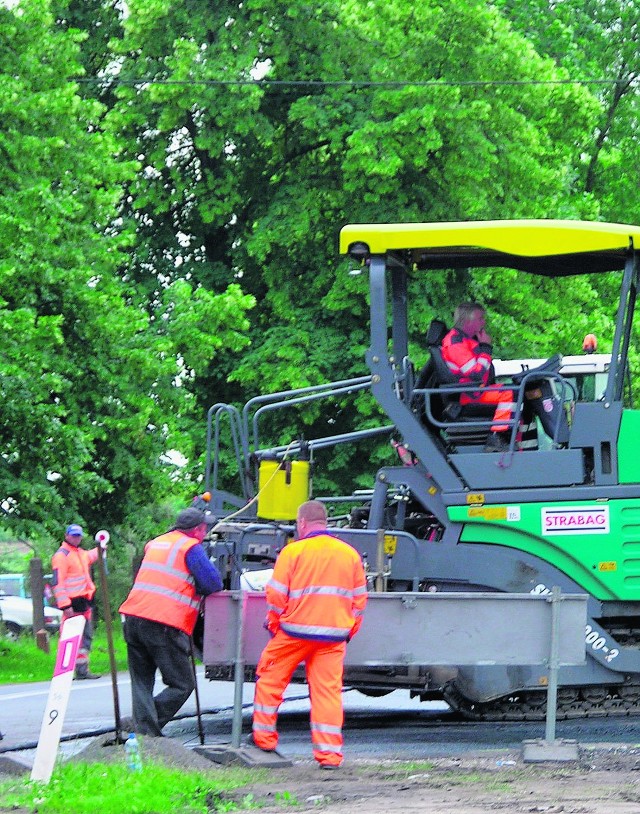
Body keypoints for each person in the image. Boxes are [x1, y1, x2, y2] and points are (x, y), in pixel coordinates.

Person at [250, 500, 368, 769]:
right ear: (326, 523)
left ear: (302, 523)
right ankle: (329, 756)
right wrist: (348, 631)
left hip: (293, 633)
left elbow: (276, 596)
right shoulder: (349, 554)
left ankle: (264, 740)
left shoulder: (293, 552)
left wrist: (275, 624)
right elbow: (360, 601)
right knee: (328, 693)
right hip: (333, 638)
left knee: (269, 680)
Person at [119, 507, 223, 737]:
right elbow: (213, 583)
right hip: (163, 622)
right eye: (204, 528)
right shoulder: (190, 548)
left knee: (142, 682)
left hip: (133, 617)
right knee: (183, 684)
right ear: (197, 530)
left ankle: (144, 730)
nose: (205, 532)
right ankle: (147, 727)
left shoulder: (155, 543)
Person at [440, 302, 516, 452]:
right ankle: (497, 436)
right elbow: (476, 374)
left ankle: (513, 440)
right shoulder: (455, 343)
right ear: (467, 321)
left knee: (517, 390)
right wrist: (486, 348)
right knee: (510, 393)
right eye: (480, 318)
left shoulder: (466, 339)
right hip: (470, 394)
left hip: (477, 390)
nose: (484, 321)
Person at [51, 523, 103, 680]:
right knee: (70, 638)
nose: (76, 538)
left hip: (84, 602)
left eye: (78, 535)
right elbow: (57, 582)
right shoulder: (62, 555)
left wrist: (102, 544)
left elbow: (92, 556)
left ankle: (81, 670)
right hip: (72, 604)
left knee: (85, 638)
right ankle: (65, 671)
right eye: (73, 535)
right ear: (66, 536)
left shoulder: (79, 553)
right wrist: (65, 605)